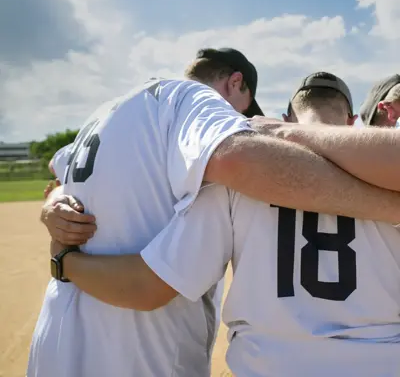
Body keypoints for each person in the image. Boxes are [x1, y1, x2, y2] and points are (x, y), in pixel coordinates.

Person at [32, 61, 400, 377]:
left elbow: (149, 286)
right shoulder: (390, 175)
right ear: (353, 121)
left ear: (285, 117)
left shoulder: (231, 184)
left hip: (270, 366)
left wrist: (65, 259)